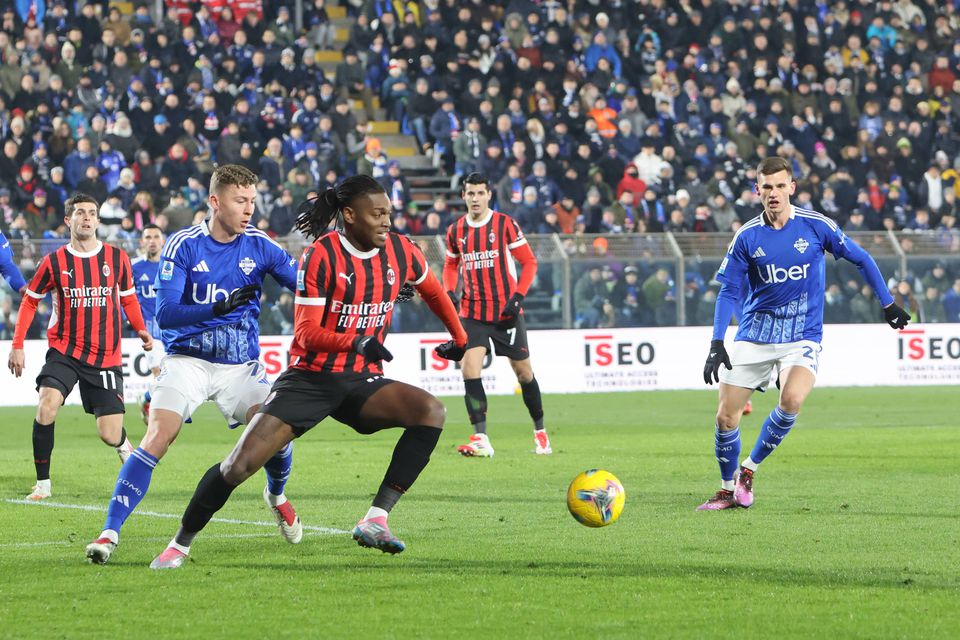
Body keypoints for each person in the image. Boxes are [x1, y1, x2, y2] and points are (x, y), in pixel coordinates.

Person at [148, 175, 468, 569]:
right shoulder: (322, 255)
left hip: (359, 380)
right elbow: (307, 333)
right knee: (238, 467)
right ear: (350, 215)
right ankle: (179, 544)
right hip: (310, 378)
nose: (387, 221)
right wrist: (355, 341)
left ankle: (376, 518)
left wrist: (459, 335)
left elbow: (434, 291)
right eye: (378, 213)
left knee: (430, 412)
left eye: (389, 213)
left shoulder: (403, 251)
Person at [85, 165, 301, 565]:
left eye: (252, 201)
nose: (249, 209)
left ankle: (276, 494)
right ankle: (109, 532)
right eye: (241, 200)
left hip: (240, 365)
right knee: (157, 436)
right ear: (215, 202)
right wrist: (216, 308)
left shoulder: (261, 244)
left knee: (278, 438)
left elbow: (306, 284)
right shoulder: (183, 245)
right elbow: (166, 314)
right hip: (188, 360)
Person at [699, 157, 910, 510]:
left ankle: (748, 470)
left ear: (792, 188)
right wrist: (717, 341)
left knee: (792, 400)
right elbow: (729, 292)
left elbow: (862, 258)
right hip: (755, 334)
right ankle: (726, 487)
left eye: (781, 186)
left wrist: (888, 304)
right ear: (757, 191)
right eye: (766, 187)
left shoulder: (815, 226)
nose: (774, 193)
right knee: (725, 417)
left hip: (802, 336)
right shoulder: (747, 235)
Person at [9, 194, 153, 501]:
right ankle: (43, 484)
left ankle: (124, 445)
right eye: (80, 213)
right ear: (68, 220)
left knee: (109, 433)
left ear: (98, 221)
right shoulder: (53, 262)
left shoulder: (117, 259)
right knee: (47, 405)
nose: (86, 218)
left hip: (105, 356)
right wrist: (17, 345)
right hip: (65, 351)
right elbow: (30, 301)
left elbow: (127, 297)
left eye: (91, 213)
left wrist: (140, 328)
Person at [443, 173, 551, 458]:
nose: (475, 198)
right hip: (473, 311)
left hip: (506, 312)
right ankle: (481, 437)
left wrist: (517, 298)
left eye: (480, 193)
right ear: (464, 196)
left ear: (489, 195)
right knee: (469, 369)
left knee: (524, 373)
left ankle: (540, 430)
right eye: (470, 193)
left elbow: (529, 261)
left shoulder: (504, 224)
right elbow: (451, 265)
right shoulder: (455, 231)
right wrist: (449, 290)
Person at [131, 224, 164, 423]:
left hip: (173, 330)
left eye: (155, 236)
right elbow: (123, 296)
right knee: (159, 374)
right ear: (142, 241)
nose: (152, 240)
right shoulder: (134, 267)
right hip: (149, 333)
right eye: (148, 237)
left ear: (163, 240)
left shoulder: (172, 265)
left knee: (170, 377)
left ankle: (147, 398)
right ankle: (158, 417)